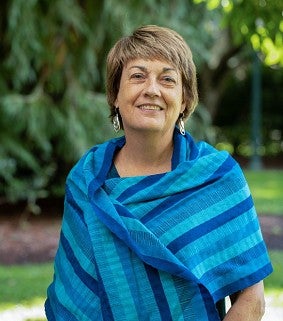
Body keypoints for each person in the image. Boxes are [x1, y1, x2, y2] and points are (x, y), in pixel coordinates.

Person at [45, 25, 272, 321]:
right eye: (138, 76)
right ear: (115, 94)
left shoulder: (217, 178)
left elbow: (252, 298)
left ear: (185, 100)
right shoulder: (86, 181)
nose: (152, 89)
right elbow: (74, 300)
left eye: (167, 79)